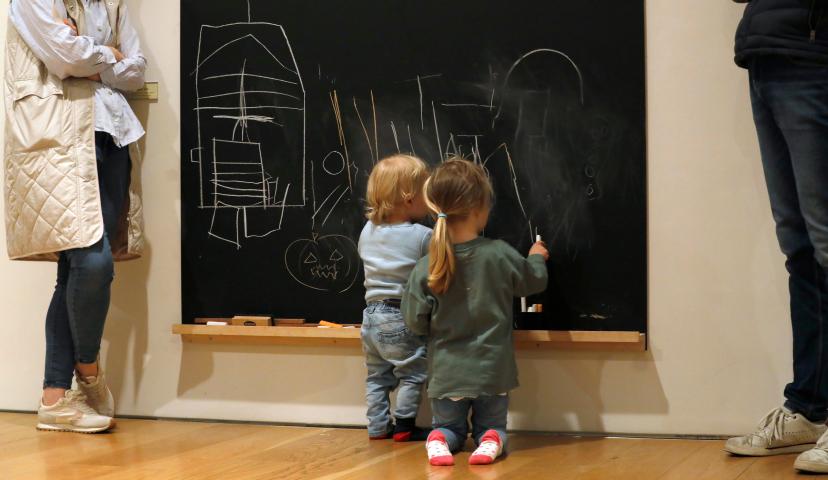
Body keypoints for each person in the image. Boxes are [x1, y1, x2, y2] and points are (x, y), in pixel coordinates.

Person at [4, 0, 146, 433]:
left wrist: (89, 56)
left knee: (74, 271)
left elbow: (137, 70)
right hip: (60, 142)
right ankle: (87, 370)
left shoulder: (113, 3)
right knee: (92, 261)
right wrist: (108, 55)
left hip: (111, 136)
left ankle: (53, 399)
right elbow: (63, 58)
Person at [726, 0, 828, 473]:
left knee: (825, 243)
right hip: (766, 54)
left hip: (813, 56)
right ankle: (809, 408)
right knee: (801, 247)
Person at [402, 158, 549, 466]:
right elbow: (533, 281)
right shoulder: (498, 254)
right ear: (481, 209)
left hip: (446, 374)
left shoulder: (427, 266)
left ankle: (439, 439)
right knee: (492, 426)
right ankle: (490, 441)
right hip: (492, 372)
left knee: (448, 427)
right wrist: (536, 257)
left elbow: (414, 320)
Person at [357, 154, 432, 441]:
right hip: (401, 314)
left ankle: (377, 426)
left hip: (371, 316)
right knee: (412, 373)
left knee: (377, 376)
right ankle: (404, 426)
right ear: (409, 198)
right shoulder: (423, 236)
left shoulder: (367, 231)